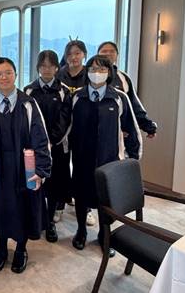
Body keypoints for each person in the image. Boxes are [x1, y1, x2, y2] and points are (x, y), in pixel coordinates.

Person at [0, 57, 51, 274]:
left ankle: (20, 249)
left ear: (16, 75)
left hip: (23, 169)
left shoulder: (28, 104)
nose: (4, 77)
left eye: (8, 72)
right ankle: (1, 248)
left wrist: (41, 171)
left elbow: (41, 139)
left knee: (22, 210)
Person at [69, 55, 141, 256]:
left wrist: (133, 159)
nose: (96, 73)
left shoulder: (119, 98)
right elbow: (67, 126)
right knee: (81, 196)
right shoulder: (77, 97)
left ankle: (104, 234)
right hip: (82, 158)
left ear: (109, 72)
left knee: (105, 200)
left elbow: (131, 128)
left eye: (101, 69)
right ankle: (81, 231)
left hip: (109, 160)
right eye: (92, 69)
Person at [23, 50, 71, 243]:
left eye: (51, 66)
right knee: (33, 184)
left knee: (53, 186)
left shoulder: (64, 91)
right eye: (43, 66)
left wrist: (50, 142)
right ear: (38, 68)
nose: (47, 69)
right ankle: (34, 220)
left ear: (57, 68)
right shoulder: (28, 90)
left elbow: (65, 120)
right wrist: (37, 144)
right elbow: (26, 120)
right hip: (33, 149)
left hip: (57, 147)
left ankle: (50, 222)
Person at [55, 39, 94, 225]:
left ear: (84, 54)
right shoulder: (59, 74)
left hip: (83, 130)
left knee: (82, 170)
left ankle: (86, 207)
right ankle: (59, 204)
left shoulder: (90, 75)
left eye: (77, 53)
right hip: (62, 131)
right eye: (70, 53)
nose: (74, 57)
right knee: (61, 169)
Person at [97, 41, 158, 138]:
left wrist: (148, 126)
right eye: (104, 51)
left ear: (117, 55)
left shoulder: (124, 78)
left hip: (119, 132)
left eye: (112, 51)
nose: (108, 54)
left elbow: (134, 105)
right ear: (97, 55)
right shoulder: (90, 76)